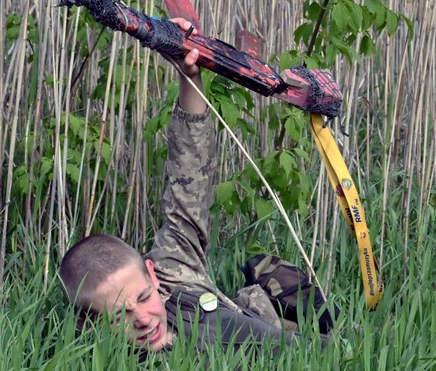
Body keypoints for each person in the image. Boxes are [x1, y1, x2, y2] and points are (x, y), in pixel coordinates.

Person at [58, 19, 292, 353]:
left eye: (143, 297)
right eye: (119, 316)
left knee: (275, 275)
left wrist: (189, 75)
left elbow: (189, 178)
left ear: (152, 275)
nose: (143, 318)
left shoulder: (173, 271)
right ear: (88, 325)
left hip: (288, 349)